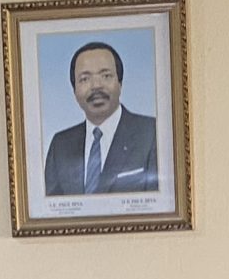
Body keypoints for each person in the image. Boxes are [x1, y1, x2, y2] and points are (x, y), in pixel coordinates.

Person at [42, 41, 160, 196]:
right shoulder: (60, 145)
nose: (96, 86)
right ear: (74, 90)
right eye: (85, 79)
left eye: (106, 76)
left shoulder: (151, 133)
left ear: (120, 83)